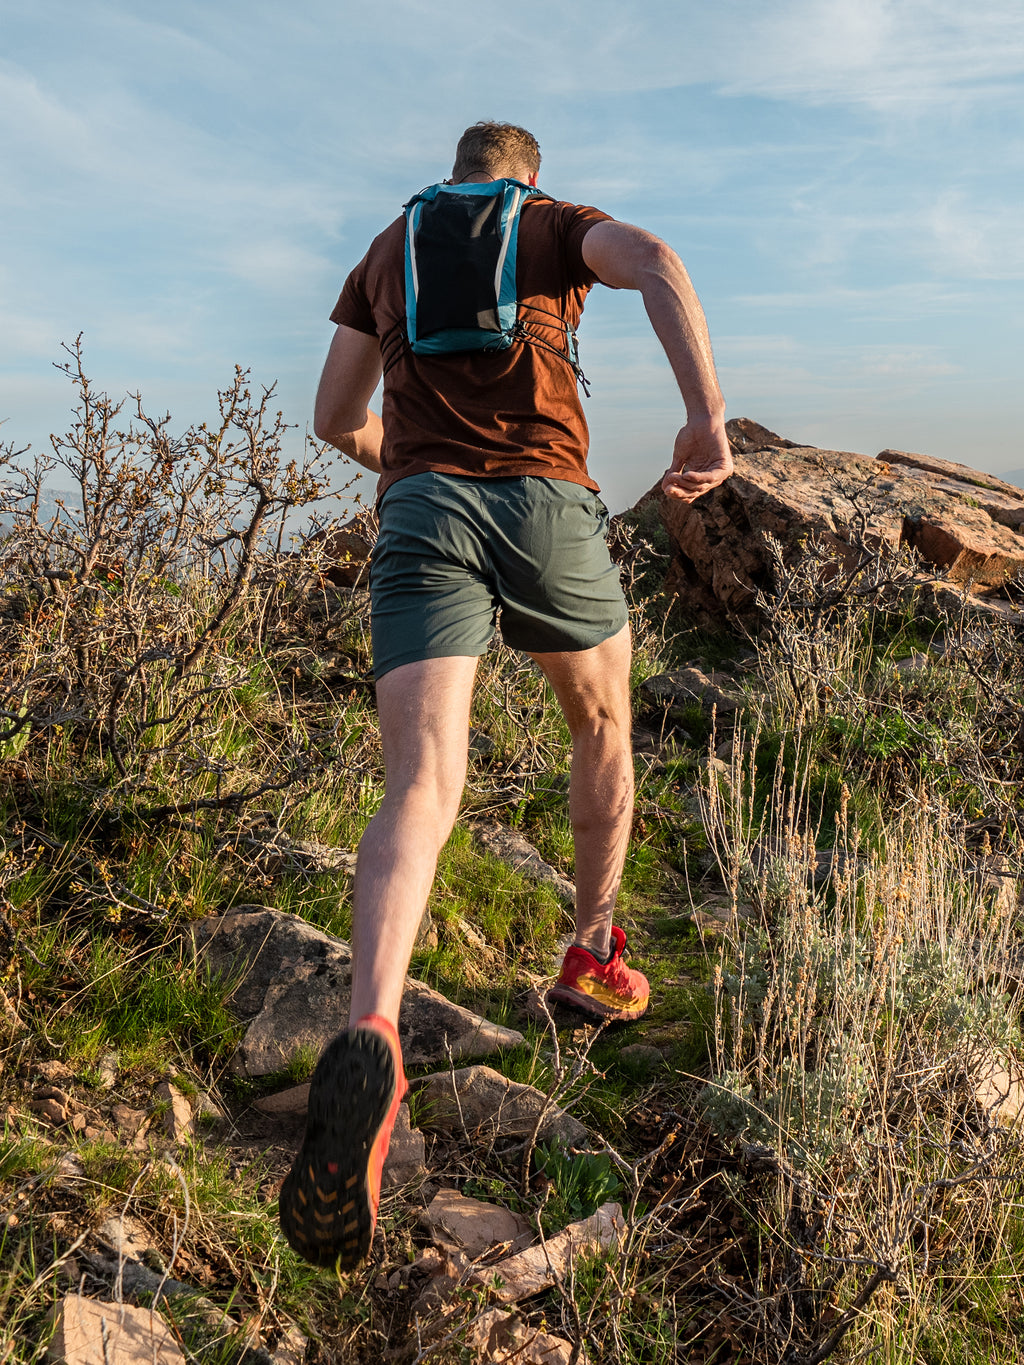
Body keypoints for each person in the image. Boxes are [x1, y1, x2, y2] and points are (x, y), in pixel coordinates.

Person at [279, 121, 733, 1270]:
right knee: (601, 720)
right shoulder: (550, 225)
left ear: (455, 172)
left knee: (422, 780)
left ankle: (370, 1027)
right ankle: (590, 953)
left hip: (422, 508)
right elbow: (660, 261)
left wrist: (414, 468)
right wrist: (704, 417)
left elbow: (334, 417)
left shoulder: (386, 249)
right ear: (526, 173)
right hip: (544, 501)